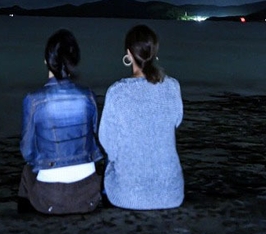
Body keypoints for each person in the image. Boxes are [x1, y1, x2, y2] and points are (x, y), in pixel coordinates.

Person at [99, 24, 184, 210]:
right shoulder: (172, 87)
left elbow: (107, 142)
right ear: (154, 52)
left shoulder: (117, 92)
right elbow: (176, 121)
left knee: (113, 151)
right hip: (171, 193)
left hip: (127, 195)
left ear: (128, 54)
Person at [18, 29, 103, 214]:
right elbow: (95, 138)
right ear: (74, 62)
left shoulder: (33, 100)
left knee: (27, 172)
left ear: (46, 61)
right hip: (89, 194)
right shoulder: (88, 96)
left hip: (51, 198)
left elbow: (27, 152)